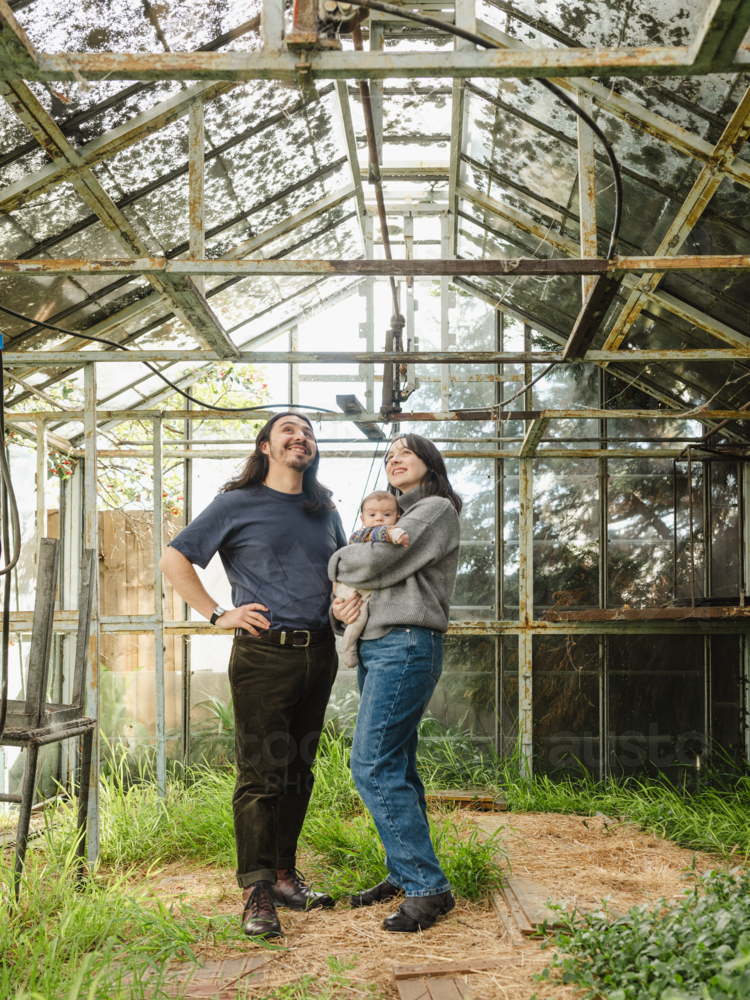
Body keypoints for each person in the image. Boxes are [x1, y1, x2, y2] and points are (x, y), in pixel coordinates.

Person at [159, 412, 347, 940]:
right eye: (289, 430)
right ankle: (256, 889)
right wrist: (218, 612)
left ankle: (285, 874)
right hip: (264, 654)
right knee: (262, 774)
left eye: (308, 432)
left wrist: (346, 602)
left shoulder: (324, 510)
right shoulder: (235, 504)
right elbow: (173, 559)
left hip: (319, 652)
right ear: (266, 446)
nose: (301, 437)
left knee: (299, 769)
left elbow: (340, 573)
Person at [329, 434, 462, 933]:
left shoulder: (432, 510)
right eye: (389, 456)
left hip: (406, 645)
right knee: (398, 765)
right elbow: (359, 589)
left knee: (372, 763)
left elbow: (372, 564)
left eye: (405, 452)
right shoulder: (391, 519)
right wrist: (342, 610)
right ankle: (406, 874)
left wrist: (337, 562)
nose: (394, 460)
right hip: (379, 645)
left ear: (429, 461)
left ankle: (428, 888)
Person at [335, 490, 409, 669]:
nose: (379, 519)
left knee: (361, 615)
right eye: (372, 514)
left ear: (397, 518)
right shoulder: (361, 534)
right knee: (359, 616)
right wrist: (396, 534)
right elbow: (380, 534)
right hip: (352, 587)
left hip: (364, 587)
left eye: (386, 514)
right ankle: (347, 648)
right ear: (362, 519)